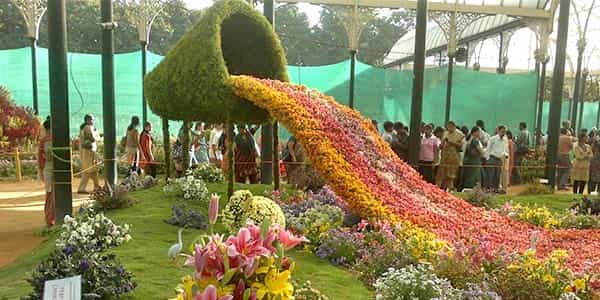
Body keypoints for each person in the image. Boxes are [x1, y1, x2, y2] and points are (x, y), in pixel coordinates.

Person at [436, 121, 464, 191]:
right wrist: (441, 145)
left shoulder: (460, 134)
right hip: (444, 157)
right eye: (448, 127)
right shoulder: (445, 133)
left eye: (450, 127)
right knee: (441, 174)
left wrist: (451, 142)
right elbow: (441, 144)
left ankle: (450, 189)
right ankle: (439, 189)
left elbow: (461, 147)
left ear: (454, 126)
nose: (449, 128)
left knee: (451, 175)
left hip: (453, 157)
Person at [77, 114, 100, 194]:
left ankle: (97, 186)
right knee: (88, 170)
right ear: (87, 120)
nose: (93, 121)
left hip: (86, 151)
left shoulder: (83, 128)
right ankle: (82, 188)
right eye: (92, 120)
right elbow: (92, 138)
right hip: (89, 151)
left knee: (93, 169)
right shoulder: (87, 127)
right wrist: (98, 135)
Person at [37, 117, 54, 226]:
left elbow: (40, 158)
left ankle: (49, 218)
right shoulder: (49, 140)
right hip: (50, 169)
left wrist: (40, 170)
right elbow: (48, 156)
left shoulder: (43, 140)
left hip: (47, 169)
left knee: (49, 194)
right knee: (52, 194)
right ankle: (50, 217)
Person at [485, 125, 508, 193]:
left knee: (497, 175)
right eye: (502, 131)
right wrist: (487, 159)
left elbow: (505, 149)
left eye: (504, 132)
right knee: (490, 175)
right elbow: (488, 149)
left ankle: (496, 189)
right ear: (498, 131)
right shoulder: (493, 139)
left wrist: (506, 155)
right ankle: (489, 189)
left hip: (499, 159)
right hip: (492, 158)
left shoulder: (505, 139)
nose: (503, 133)